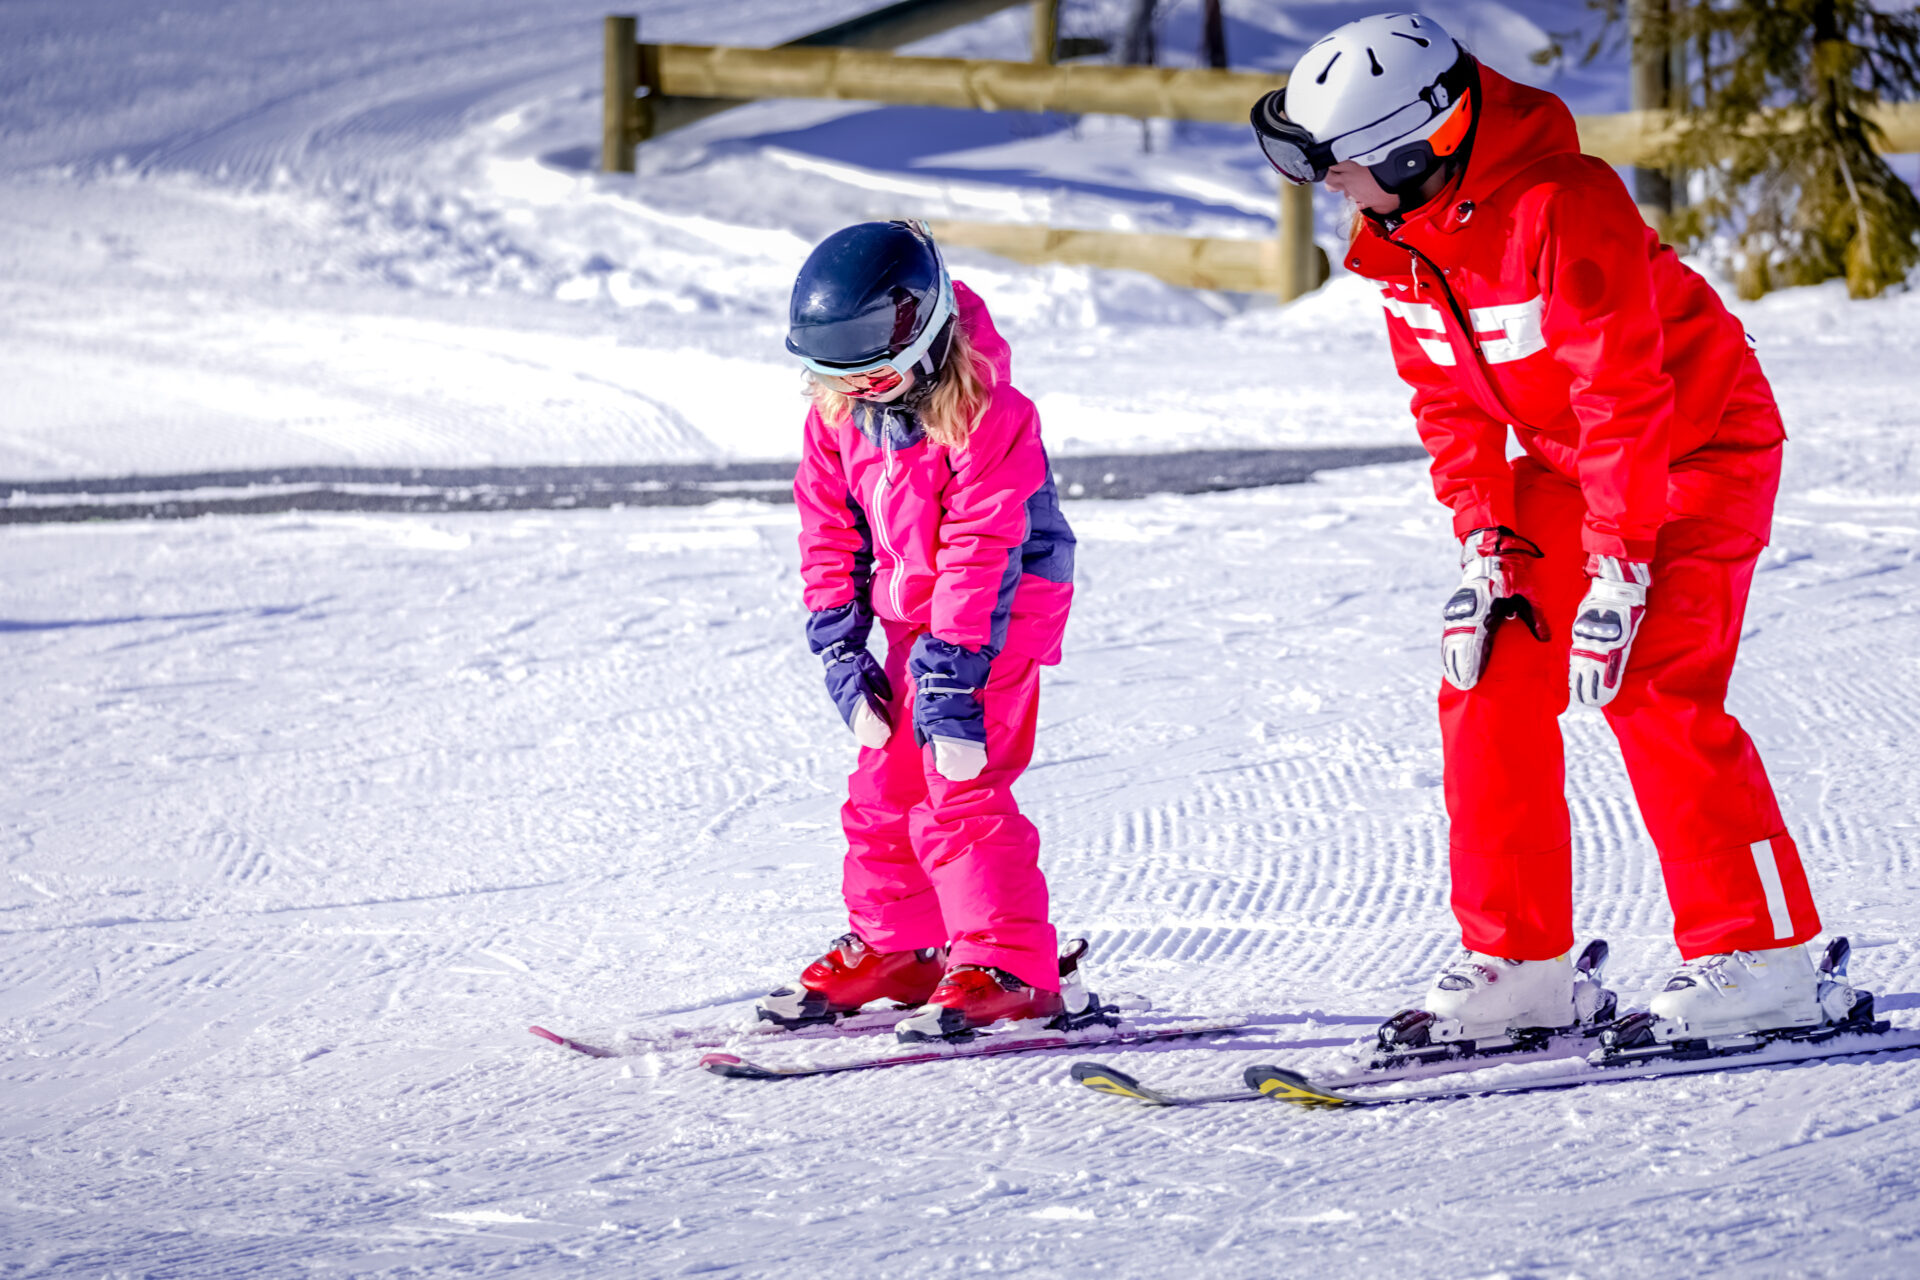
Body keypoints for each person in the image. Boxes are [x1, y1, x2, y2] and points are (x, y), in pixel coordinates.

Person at [1249, 13, 1847, 1045]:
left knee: (1653, 677)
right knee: (1486, 664)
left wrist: (1618, 569)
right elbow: (1448, 402)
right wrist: (1491, 543)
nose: (1327, 191)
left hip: (1697, 444)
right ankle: (1520, 962)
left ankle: (1767, 957)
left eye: (1338, 167)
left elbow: (1625, 393)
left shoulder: (1565, 208)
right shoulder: (1401, 237)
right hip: (1576, 464)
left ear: (1412, 144)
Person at [759, 220, 1078, 1043]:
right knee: (882, 787)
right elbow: (828, 526)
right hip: (915, 621)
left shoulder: (991, 413)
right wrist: (838, 639)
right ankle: (900, 947)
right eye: (841, 373)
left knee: (958, 786)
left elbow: (984, 547)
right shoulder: (840, 414)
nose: (861, 388)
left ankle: (1008, 964)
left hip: (999, 617)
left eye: (876, 367)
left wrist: (954, 670)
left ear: (926, 330)